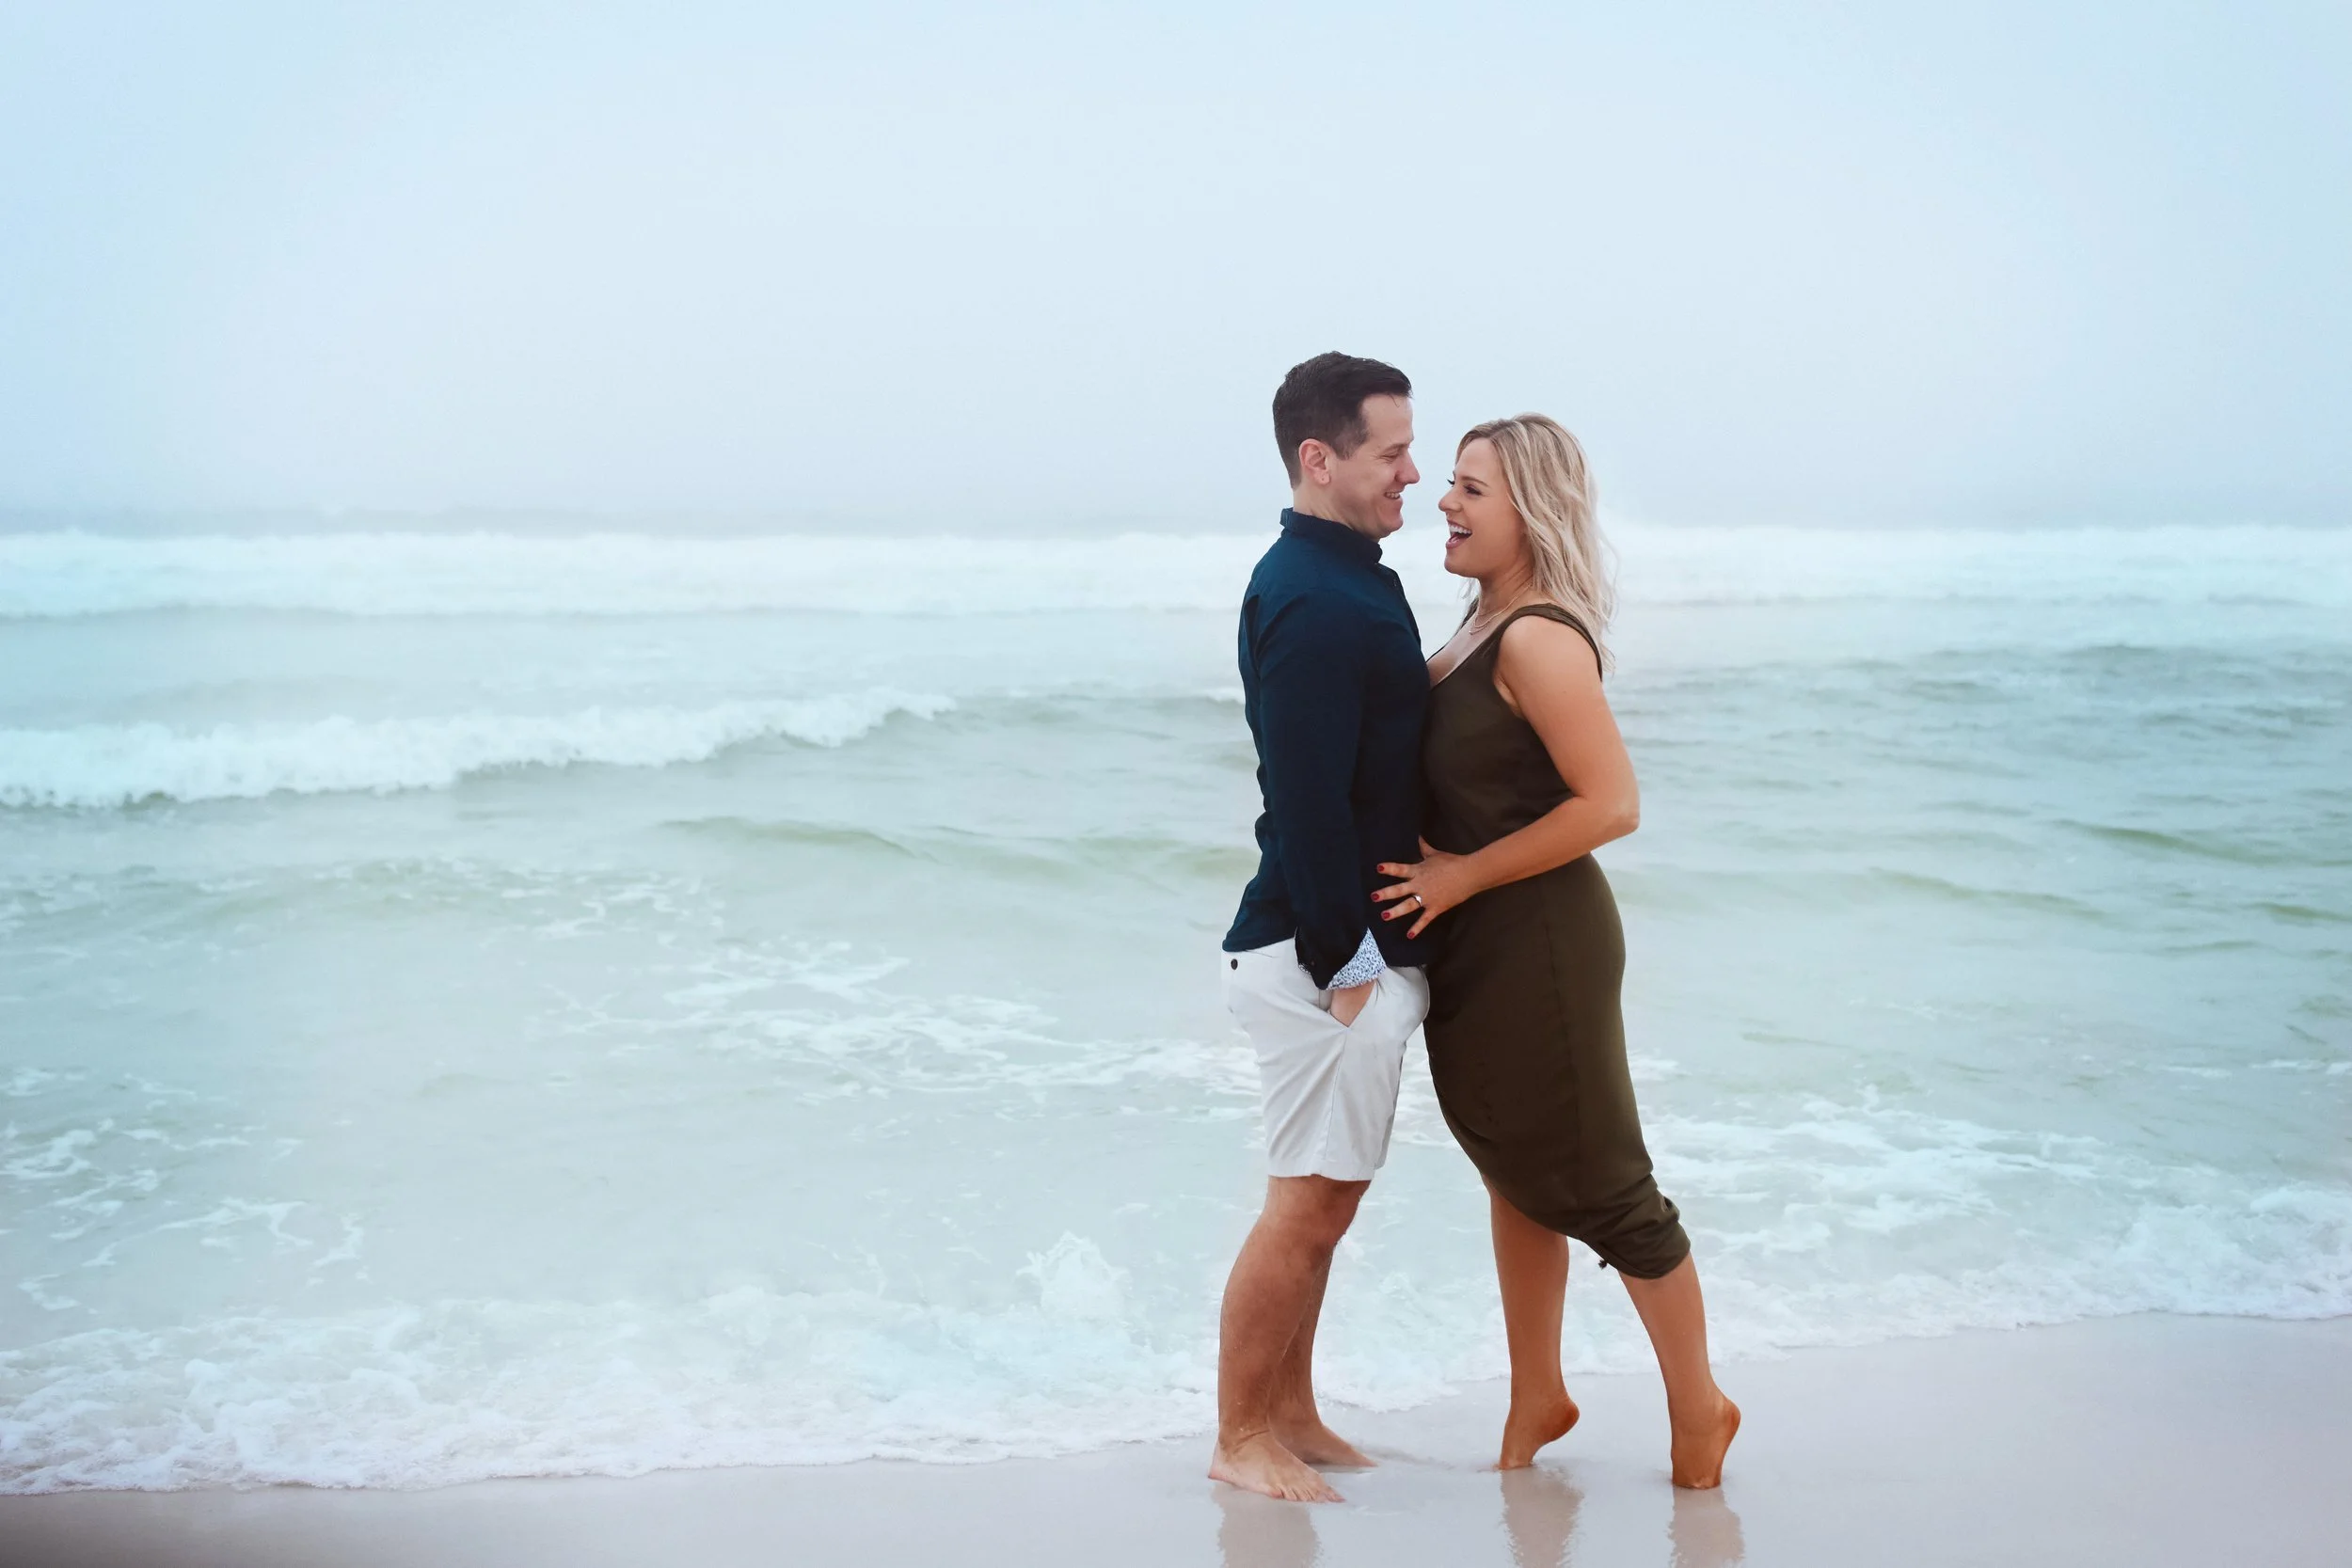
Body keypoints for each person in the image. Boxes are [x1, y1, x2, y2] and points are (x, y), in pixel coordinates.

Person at [1373, 414, 1740, 1488]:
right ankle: (1537, 1387)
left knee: (1610, 1186)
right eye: (1448, 482)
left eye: (1471, 489)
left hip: (1540, 941)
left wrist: (1457, 875)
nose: (1445, 502)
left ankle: (1700, 1405)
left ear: (1530, 508)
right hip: (1480, 945)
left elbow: (1612, 803)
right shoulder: (1474, 625)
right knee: (1514, 1167)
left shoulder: (1537, 634)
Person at [1210, 352, 1433, 1504]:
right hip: (1312, 957)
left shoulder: (1357, 575)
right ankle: (1240, 1433)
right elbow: (1301, 798)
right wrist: (1347, 964)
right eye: (1390, 451)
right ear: (1320, 458)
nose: (1412, 472)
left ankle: (1290, 1408)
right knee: (1304, 1203)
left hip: (1336, 953)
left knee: (1327, 1198)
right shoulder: (1307, 596)